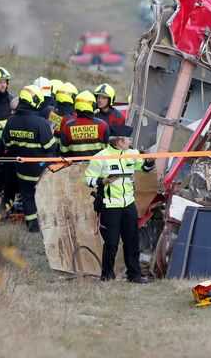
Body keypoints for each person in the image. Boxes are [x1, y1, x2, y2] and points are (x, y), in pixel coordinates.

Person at [83, 125, 155, 283]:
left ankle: (134, 275)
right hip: (110, 206)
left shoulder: (132, 154)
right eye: (128, 139)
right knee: (111, 244)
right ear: (120, 142)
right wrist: (103, 181)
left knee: (132, 241)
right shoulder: (101, 157)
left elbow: (144, 169)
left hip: (128, 204)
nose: (130, 141)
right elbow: (87, 179)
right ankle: (107, 276)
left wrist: (149, 162)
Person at [0, 85, 58, 233]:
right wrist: (51, 134)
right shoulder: (41, 123)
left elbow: (7, 144)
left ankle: (33, 228)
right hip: (42, 172)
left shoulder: (11, 121)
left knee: (27, 198)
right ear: (35, 101)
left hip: (22, 171)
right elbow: (50, 147)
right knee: (44, 198)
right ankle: (49, 225)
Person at [60, 91, 109, 157]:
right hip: (98, 165)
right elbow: (108, 149)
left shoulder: (68, 126)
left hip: (74, 166)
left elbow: (63, 151)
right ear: (93, 105)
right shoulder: (102, 125)